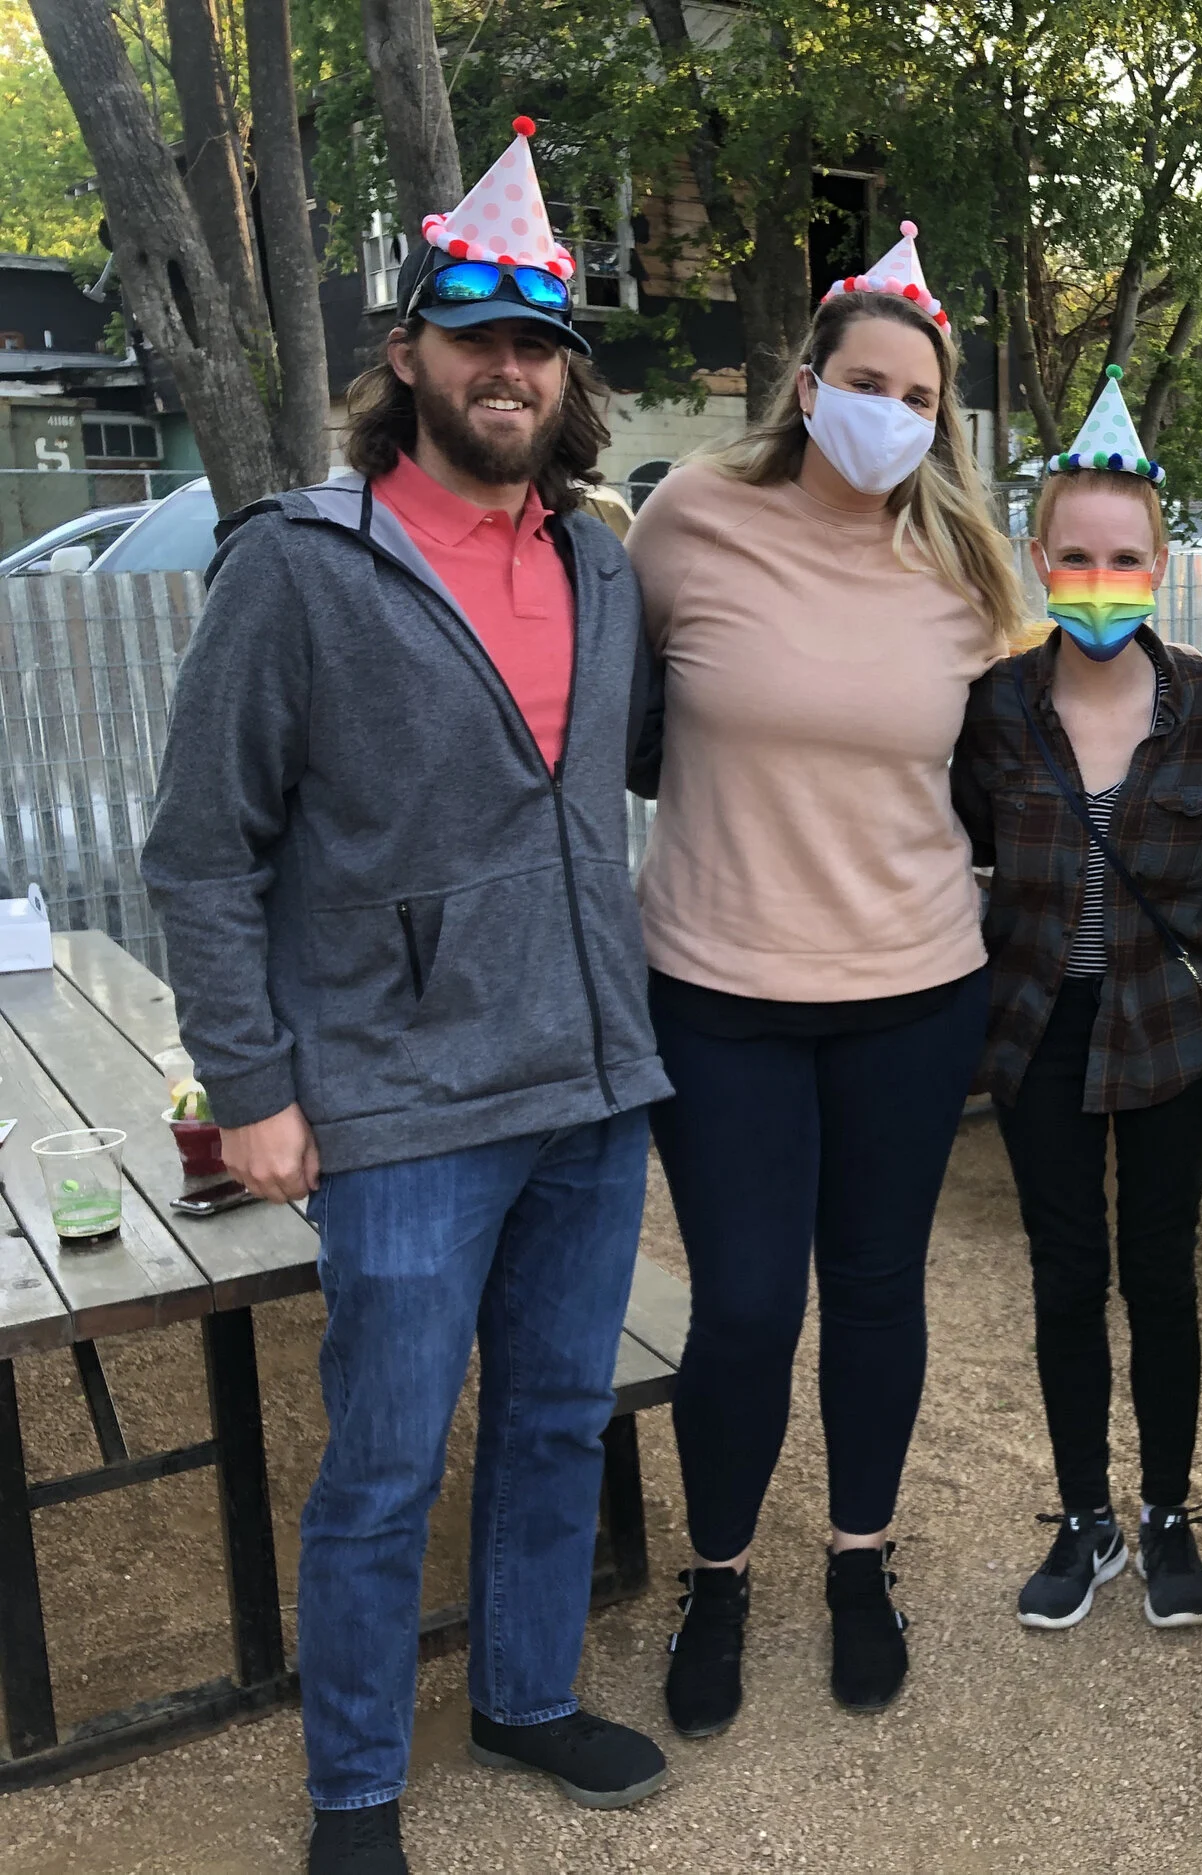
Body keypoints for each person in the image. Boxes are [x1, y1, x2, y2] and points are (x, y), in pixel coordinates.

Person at [140, 121, 672, 1875]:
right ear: (410, 353)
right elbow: (201, 856)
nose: (509, 368)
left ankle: (523, 1696)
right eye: (477, 336)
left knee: (548, 1422)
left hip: (590, 1089)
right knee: (379, 1466)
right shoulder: (298, 569)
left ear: (565, 375)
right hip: (397, 1106)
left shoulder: (602, 564)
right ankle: (355, 1789)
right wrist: (255, 1085)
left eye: (539, 344)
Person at [628, 221, 1025, 1736]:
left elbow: (1026, 763)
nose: (892, 414)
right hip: (715, 982)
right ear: (809, 384)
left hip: (915, 989)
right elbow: (610, 709)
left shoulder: (967, 568)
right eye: (869, 383)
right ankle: (717, 1569)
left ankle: (862, 1556)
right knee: (738, 1302)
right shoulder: (689, 519)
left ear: (943, 419)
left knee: (873, 1287)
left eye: (920, 398)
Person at [951, 367, 1202, 1632]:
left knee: (1158, 1272)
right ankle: (1082, 1512)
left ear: (1159, 560)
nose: (1101, 578)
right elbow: (960, 836)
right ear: (1043, 557)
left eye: (1126, 557)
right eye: (1077, 555)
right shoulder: (994, 709)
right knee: (1061, 1272)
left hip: (1165, 1029)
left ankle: (1163, 1511)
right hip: (1036, 1028)